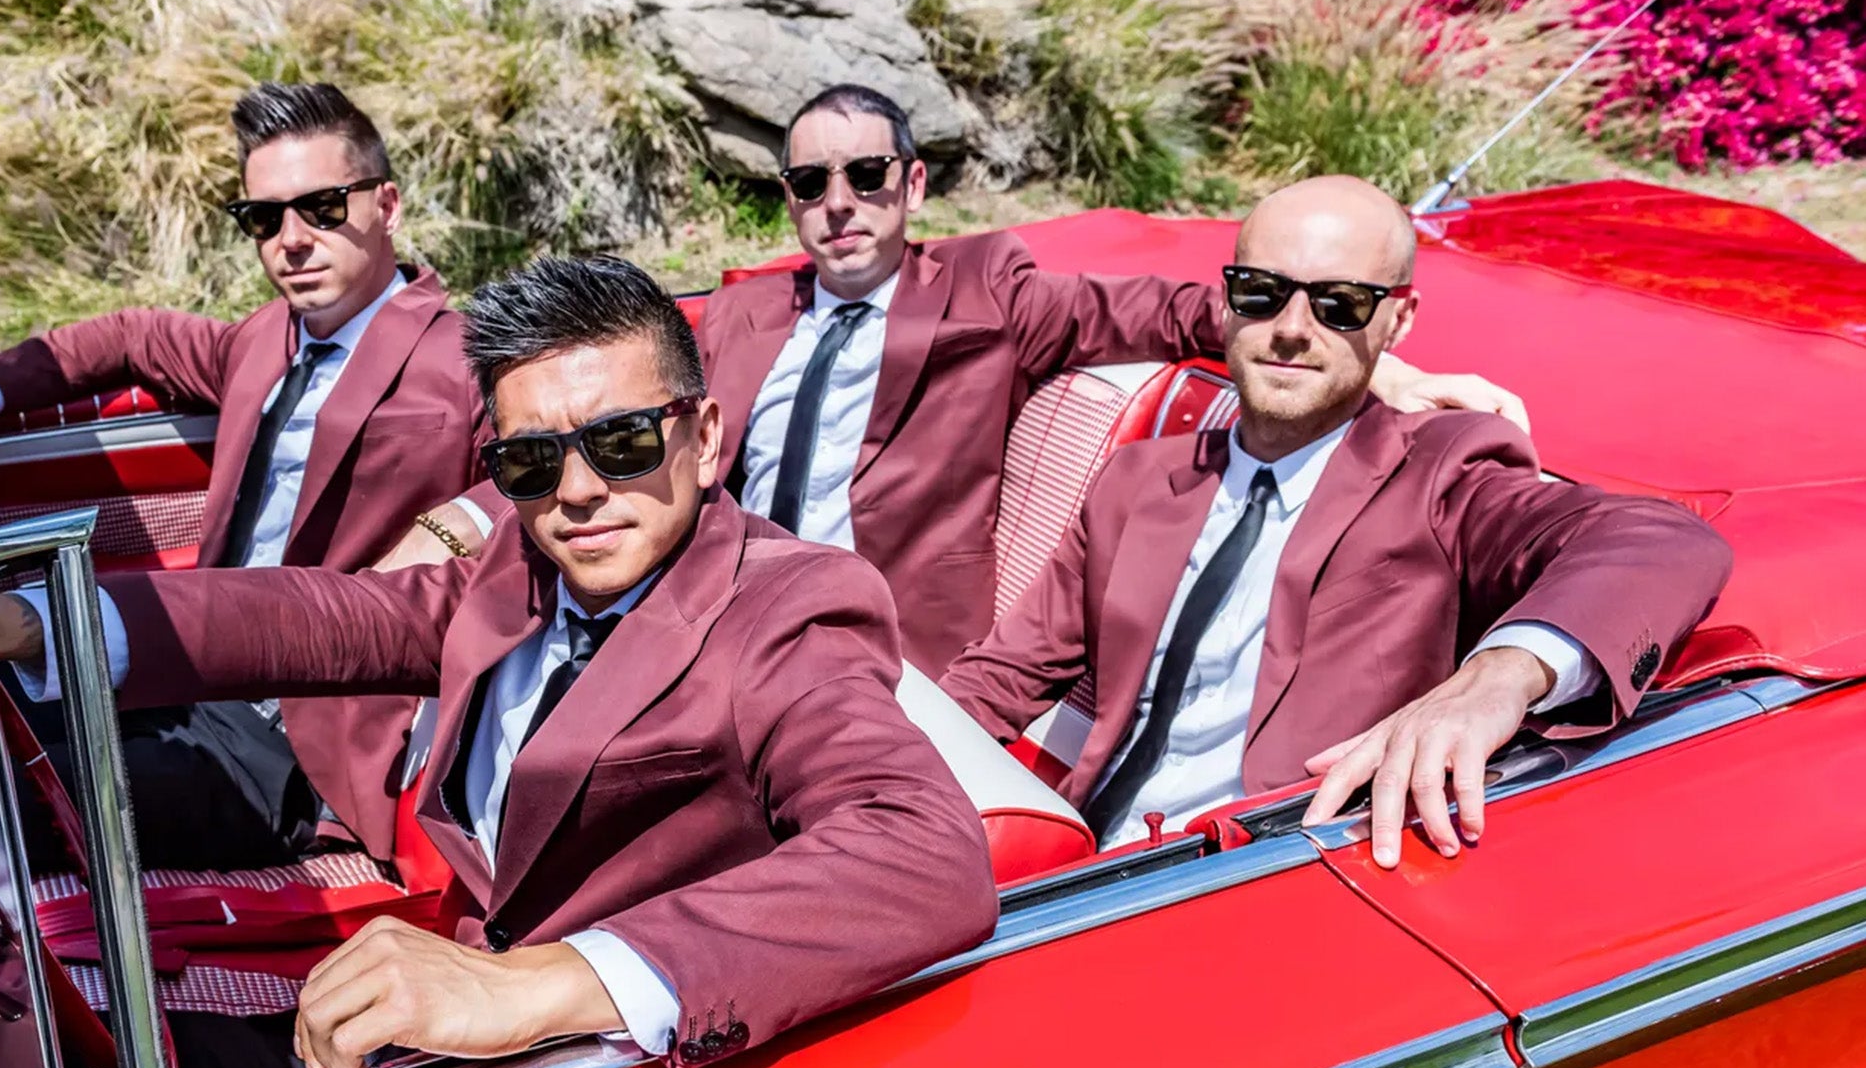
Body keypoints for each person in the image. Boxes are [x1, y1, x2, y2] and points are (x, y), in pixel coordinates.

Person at [0, 254, 997, 1068]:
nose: (576, 491)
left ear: (706, 436)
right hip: (443, 1005)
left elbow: (922, 849)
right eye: (531, 462)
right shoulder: (527, 567)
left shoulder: (789, 612)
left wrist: (539, 983)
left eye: (622, 442)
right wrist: (42, 623)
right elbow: (333, 618)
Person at [394, 84, 1526, 675]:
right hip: (695, 594)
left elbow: (1178, 307)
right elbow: (601, 424)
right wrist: (454, 523)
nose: (839, 203)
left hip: (871, 632)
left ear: (914, 185)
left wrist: (1375, 360)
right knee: (458, 652)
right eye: (809, 183)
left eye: (866, 175)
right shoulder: (741, 310)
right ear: (787, 201)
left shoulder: (989, 290)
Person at [936, 175, 1732, 865]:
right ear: (1227, 300)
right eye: (1261, 291)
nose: (1291, 327)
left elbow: (1662, 541)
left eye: (1339, 304)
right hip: (1083, 863)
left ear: (1398, 321)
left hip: (1275, 872)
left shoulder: (1439, 474)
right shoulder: (1141, 479)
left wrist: (1497, 677)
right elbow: (1003, 677)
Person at [0, 82, 485, 867]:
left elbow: (565, 468)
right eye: (264, 219)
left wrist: (458, 522)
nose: (293, 240)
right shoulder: (263, 339)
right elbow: (128, 338)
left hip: (298, 736)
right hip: (179, 671)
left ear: (388, 205)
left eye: (322, 208)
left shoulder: (464, 357)